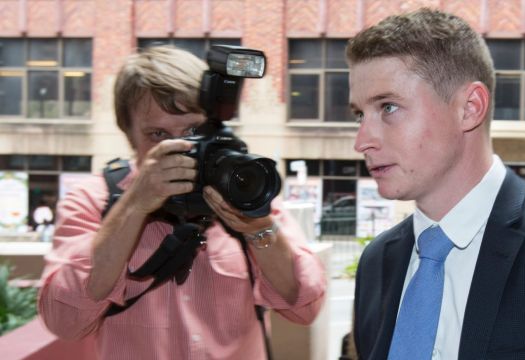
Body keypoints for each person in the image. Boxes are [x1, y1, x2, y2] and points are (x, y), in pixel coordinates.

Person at [347, 8, 525, 360]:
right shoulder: (376, 262)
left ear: (470, 107)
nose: (362, 140)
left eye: (388, 107)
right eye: (359, 114)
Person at [38, 45, 326, 359]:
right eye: (158, 134)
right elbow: (65, 322)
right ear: (129, 133)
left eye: (193, 130)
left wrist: (258, 229)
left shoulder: (239, 192)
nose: (180, 148)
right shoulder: (94, 200)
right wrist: (134, 207)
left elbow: (305, 308)